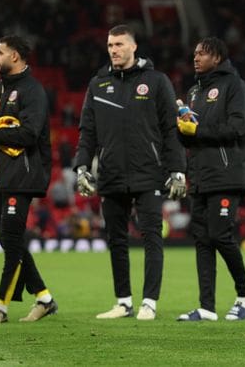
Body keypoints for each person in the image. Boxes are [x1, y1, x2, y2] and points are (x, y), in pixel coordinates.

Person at [74, 24, 186, 321]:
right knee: (116, 240)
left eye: (120, 44)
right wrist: (82, 166)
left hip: (148, 173)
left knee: (152, 238)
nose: (114, 50)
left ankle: (149, 302)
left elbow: (170, 130)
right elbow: (87, 132)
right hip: (110, 174)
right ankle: (123, 302)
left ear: (133, 47)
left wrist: (177, 170)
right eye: (110, 45)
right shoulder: (97, 84)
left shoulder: (156, 81)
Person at [175, 37, 245, 322]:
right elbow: (191, 136)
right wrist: (182, 129)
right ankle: (207, 307)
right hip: (200, 175)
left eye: (202, 53)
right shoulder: (194, 92)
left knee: (220, 235)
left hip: (227, 173)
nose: (195, 57)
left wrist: (196, 131)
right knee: (202, 239)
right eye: (195, 52)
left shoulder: (234, 86)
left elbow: (238, 127)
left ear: (218, 57)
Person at [0, 35, 57, 323]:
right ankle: (44, 298)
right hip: (1, 175)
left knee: (11, 237)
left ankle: (1, 306)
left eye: (0, 52)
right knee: (10, 239)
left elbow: (29, 134)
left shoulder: (33, 91)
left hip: (23, 173)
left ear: (15, 56)